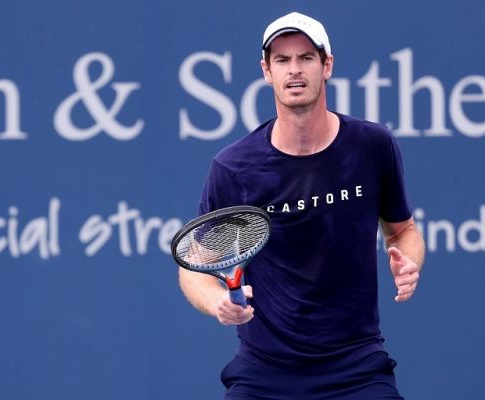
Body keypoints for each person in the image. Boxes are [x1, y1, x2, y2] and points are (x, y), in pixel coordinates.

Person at [178, 11, 425, 400]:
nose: (294, 70)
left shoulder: (372, 146)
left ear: (327, 66)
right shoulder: (234, 167)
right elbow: (194, 270)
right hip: (264, 372)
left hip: (357, 367)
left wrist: (409, 263)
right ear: (266, 71)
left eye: (306, 58)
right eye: (282, 60)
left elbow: (403, 231)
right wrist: (218, 303)